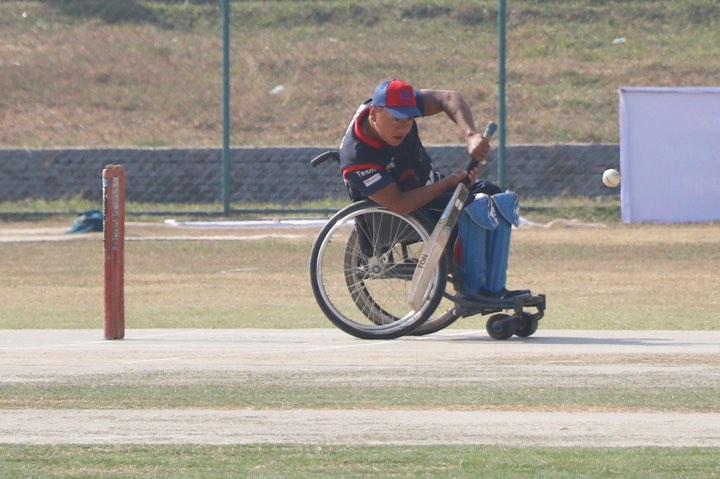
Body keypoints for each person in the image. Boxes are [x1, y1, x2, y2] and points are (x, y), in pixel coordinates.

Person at [338, 79, 529, 301]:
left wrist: (471, 137)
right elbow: (400, 204)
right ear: (374, 113)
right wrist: (448, 184)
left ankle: (495, 288)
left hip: (428, 188)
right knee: (472, 205)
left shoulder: (388, 110)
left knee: (496, 196)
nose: (403, 127)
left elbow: (448, 98)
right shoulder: (356, 157)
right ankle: (472, 291)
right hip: (402, 210)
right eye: (396, 119)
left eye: (409, 119)